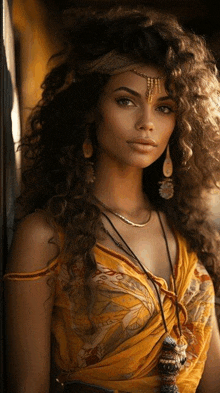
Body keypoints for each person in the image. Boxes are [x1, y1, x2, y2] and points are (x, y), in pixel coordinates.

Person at [4, 6, 220, 393]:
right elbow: (27, 384)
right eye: (126, 100)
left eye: (165, 108)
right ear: (90, 109)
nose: (147, 123)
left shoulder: (188, 232)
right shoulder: (47, 236)